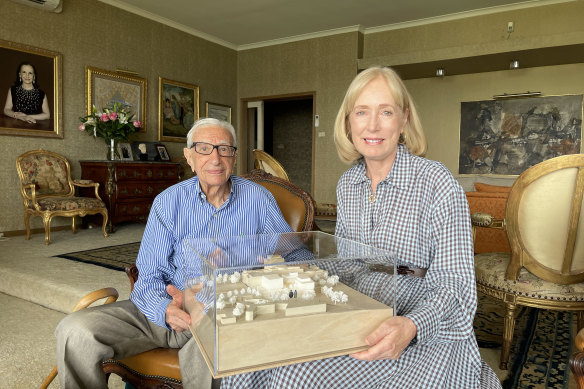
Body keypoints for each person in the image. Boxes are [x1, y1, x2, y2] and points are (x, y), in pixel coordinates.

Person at [221, 67, 501, 388]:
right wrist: (291, 270)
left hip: (423, 326)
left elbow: (457, 286)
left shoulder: (437, 182)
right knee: (252, 358)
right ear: (348, 121)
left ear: (404, 119)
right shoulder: (348, 184)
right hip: (358, 311)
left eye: (386, 112)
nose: (372, 125)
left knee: (293, 375)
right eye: (362, 112)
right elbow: (348, 266)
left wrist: (411, 325)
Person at [55, 118, 293, 388]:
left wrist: (253, 258)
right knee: (74, 330)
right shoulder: (168, 202)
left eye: (224, 149)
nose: (215, 158)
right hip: (167, 307)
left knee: (213, 345)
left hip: (224, 311)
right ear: (189, 157)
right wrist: (164, 309)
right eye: (204, 148)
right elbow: (148, 273)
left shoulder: (258, 199)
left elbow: (296, 253)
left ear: (234, 157)